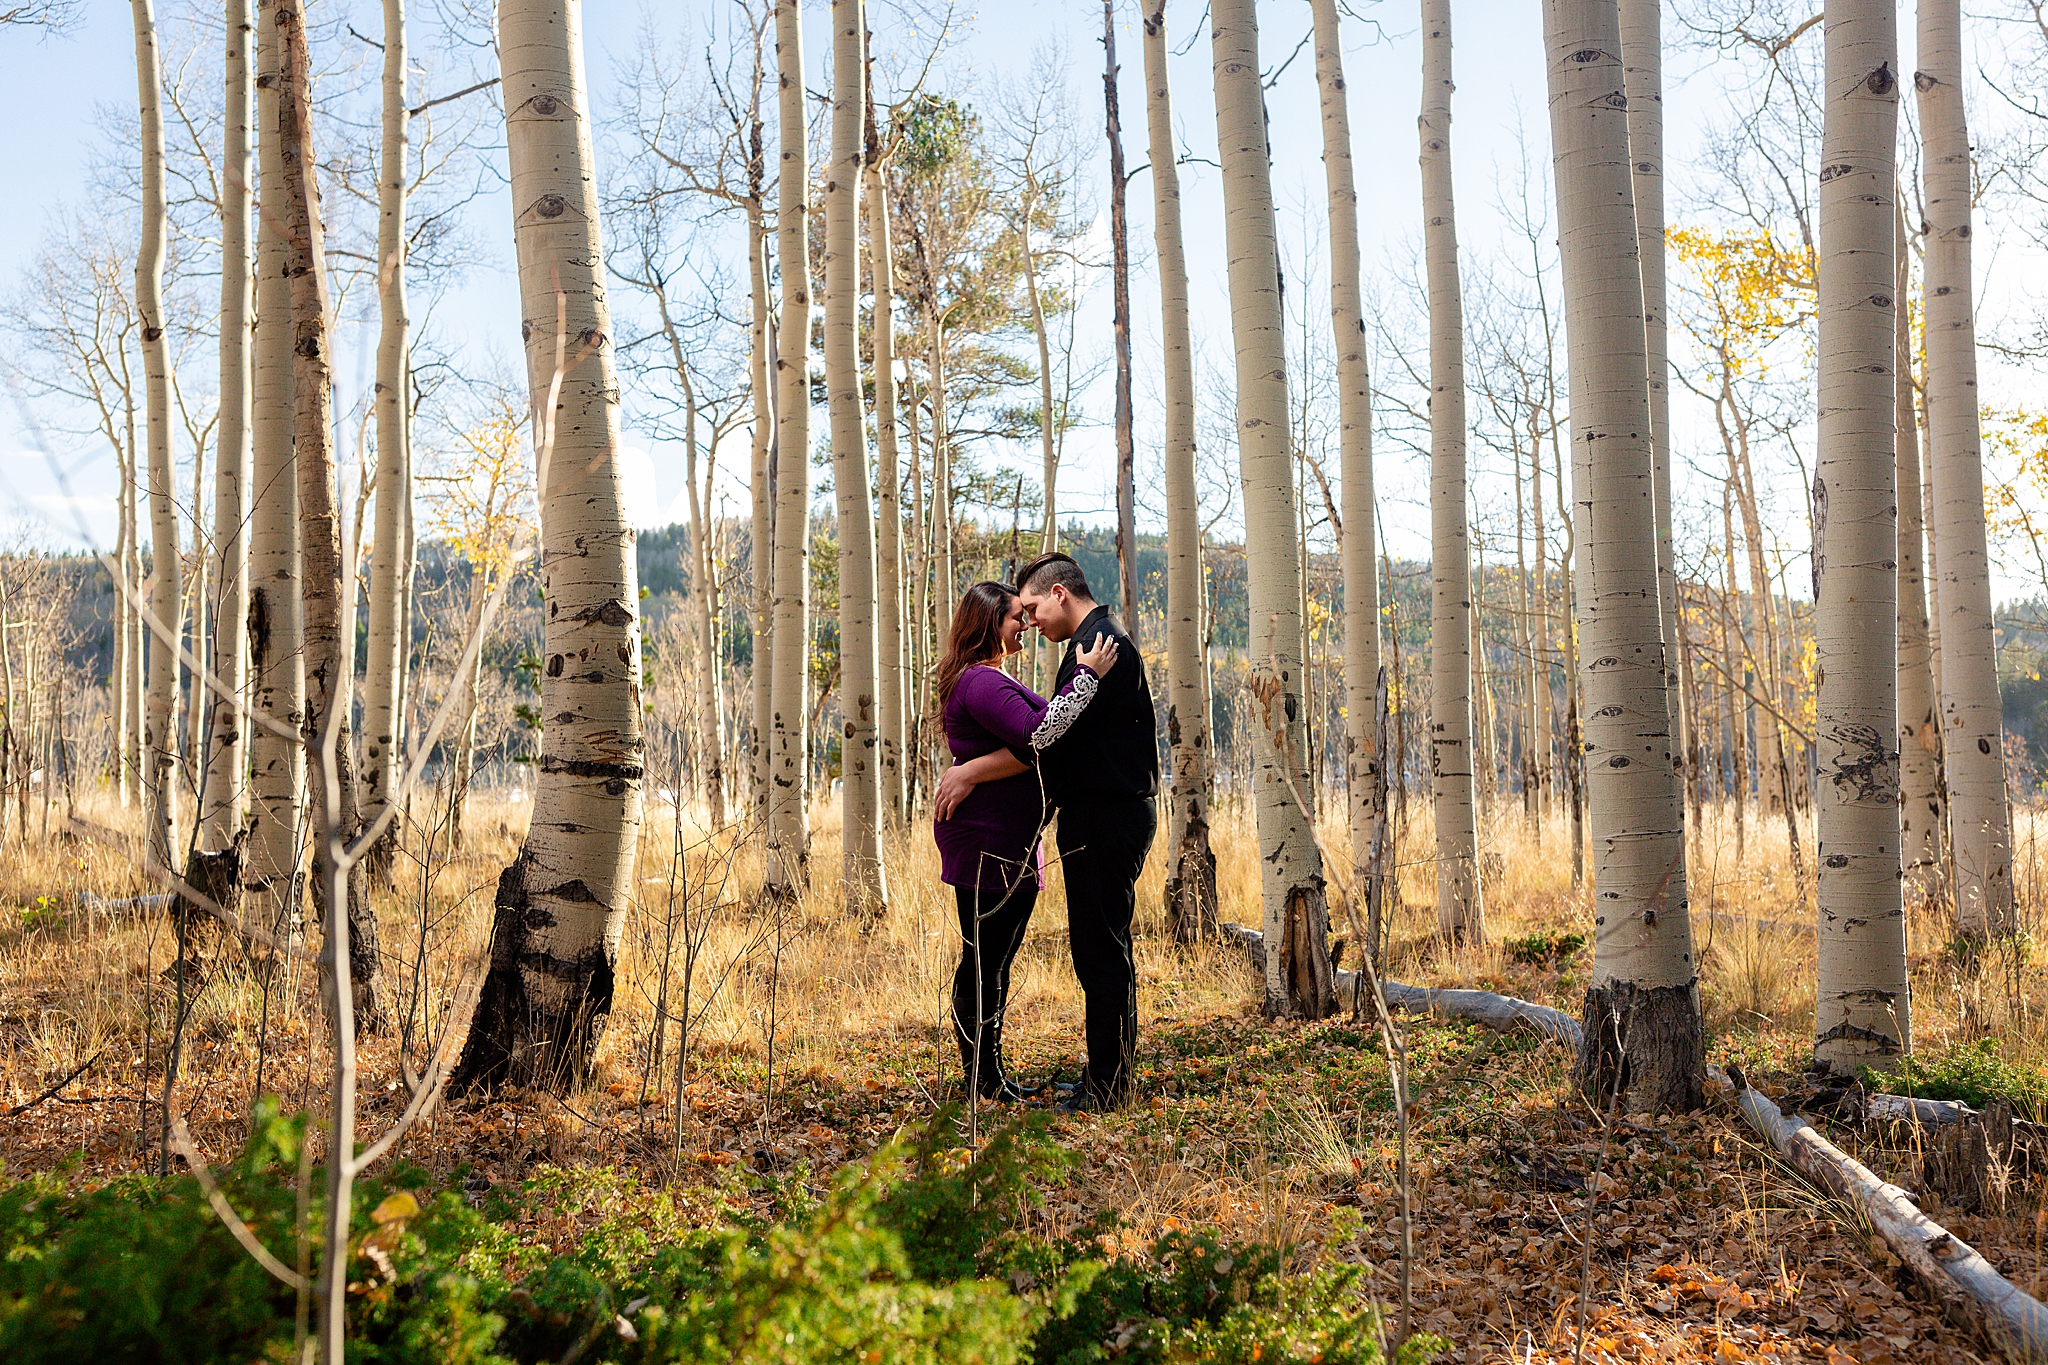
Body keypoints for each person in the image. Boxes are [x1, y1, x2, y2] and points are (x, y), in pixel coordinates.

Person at [936, 554, 1158, 1111]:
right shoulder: (1056, 661)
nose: (1028, 622)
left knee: (1096, 951)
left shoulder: (1097, 646)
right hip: (1010, 837)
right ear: (988, 623)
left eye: (1030, 608)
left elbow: (1044, 736)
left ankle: (1107, 1087)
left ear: (1060, 594)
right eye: (1017, 615)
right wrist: (968, 771)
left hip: (1101, 820)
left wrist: (970, 770)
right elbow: (1044, 735)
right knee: (1000, 958)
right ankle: (989, 1079)